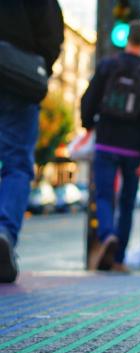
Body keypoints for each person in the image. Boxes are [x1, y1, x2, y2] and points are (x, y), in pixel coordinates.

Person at [81, 21, 140, 273]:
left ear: (126, 38)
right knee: (128, 202)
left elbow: (89, 99)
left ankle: (107, 234)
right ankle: (118, 258)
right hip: (134, 149)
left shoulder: (108, 66)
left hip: (106, 141)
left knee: (104, 195)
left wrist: (88, 124)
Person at [0, 0, 64, 283]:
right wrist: (38, 67)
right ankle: (4, 231)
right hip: (18, 78)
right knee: (17, 166)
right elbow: (52, 36)